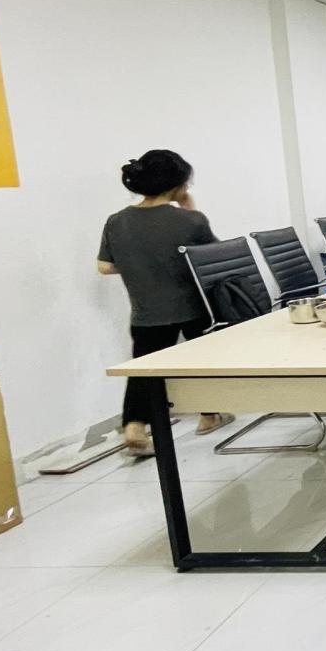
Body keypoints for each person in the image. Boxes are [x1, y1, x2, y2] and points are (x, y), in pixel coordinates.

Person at [97, 149, 233, 455]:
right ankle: (208, 415)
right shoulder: (190, 221)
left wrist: (139, 264)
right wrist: (189, 208)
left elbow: (104, 266)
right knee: (202, 361)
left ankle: (134, 427)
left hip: (146, 311)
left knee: (144, 370)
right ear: (178, 185)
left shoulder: (116, 221)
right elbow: (215, 258)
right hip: (192, 307)